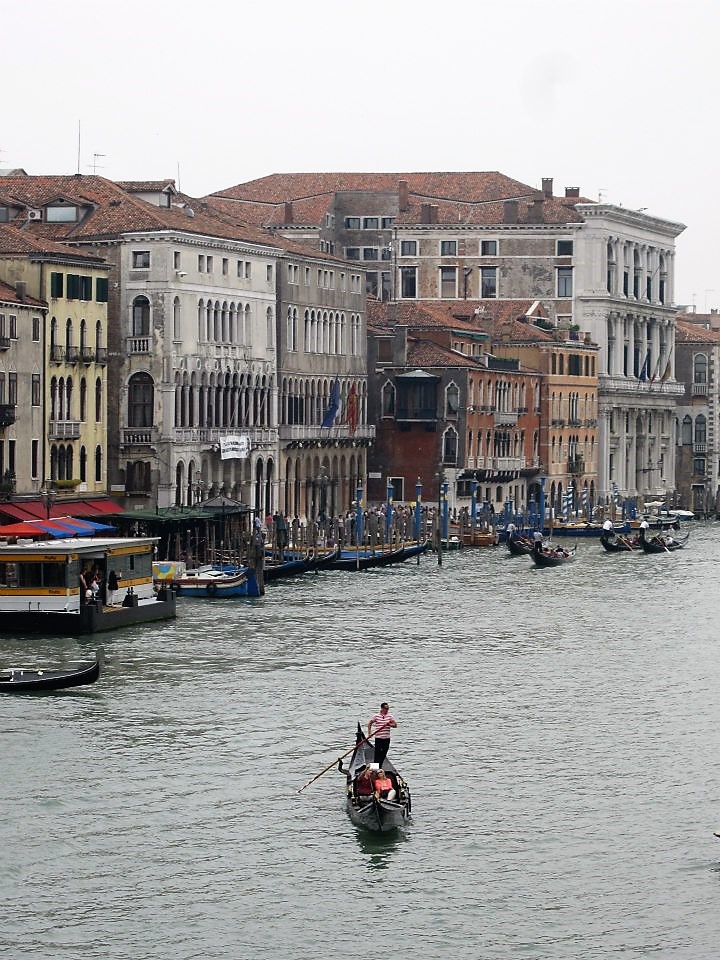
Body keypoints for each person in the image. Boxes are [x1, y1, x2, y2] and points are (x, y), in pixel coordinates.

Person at [368, 702, 397, 767]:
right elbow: (370, 723)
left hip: (386, 738)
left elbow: (395, 725)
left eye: (388, 708)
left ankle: (379, 767)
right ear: (382, 708)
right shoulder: (376, 716)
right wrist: (369, 733)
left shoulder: (390, 717)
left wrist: (389, 724)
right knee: (377, 754)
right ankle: (374, 769)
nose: (387, 710)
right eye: (386, 708)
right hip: (378, 738)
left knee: (383, 754)